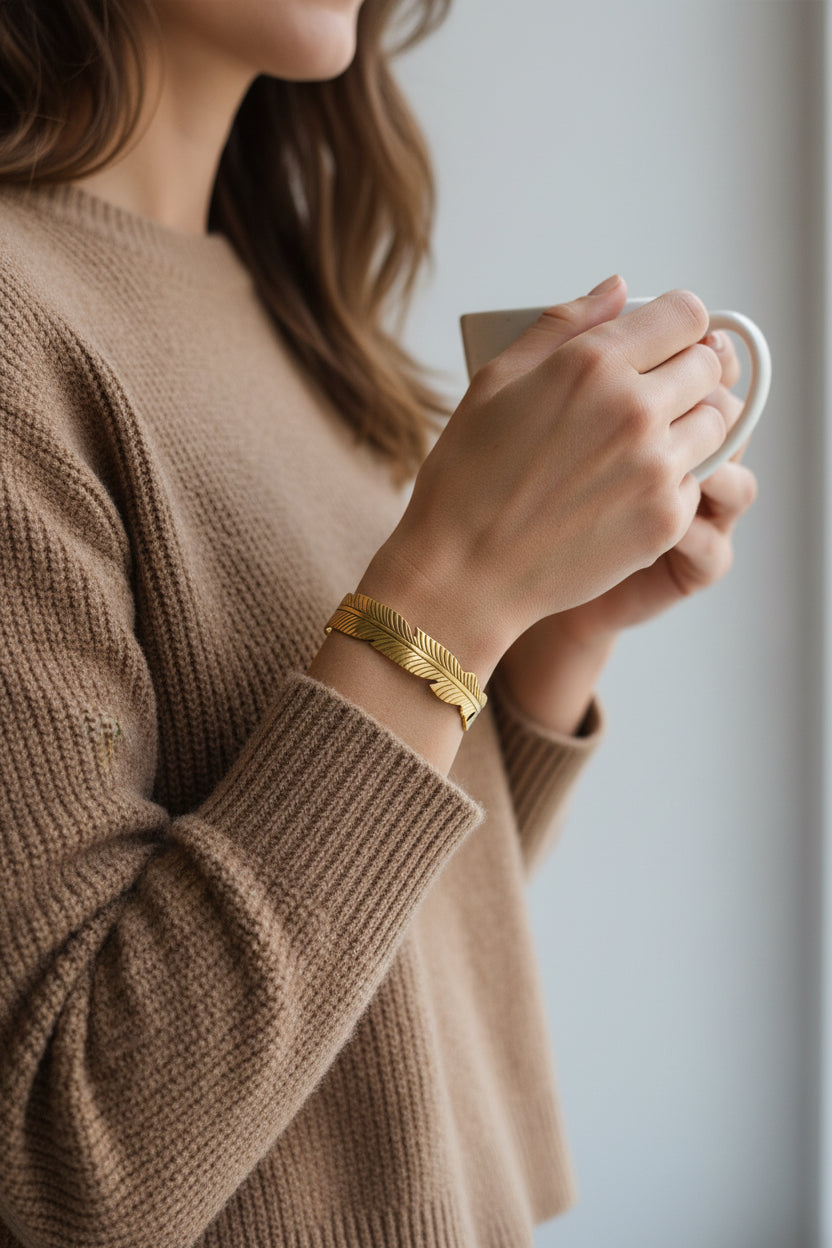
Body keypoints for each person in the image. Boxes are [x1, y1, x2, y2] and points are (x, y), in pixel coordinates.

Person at [0, 1, 758, 1245]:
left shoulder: (292, 311)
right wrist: (454, 594)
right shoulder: (23, 331)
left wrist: (544, 633)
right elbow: (68, 1159)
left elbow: (385, 954)